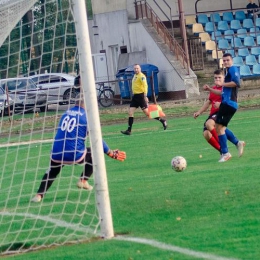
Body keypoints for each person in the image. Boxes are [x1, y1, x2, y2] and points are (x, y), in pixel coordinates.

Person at [31, 87, 126, 203]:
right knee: (94, 152)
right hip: (74, 154)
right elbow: (97, 140)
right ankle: (83, 180)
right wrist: (110, 153)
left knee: (52, 171)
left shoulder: (65, 113)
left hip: (56, 152)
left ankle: (39, 195)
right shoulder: (87, 117)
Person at [203, 53, 245, 162]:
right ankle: (237, 143)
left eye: (227, 60)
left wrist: (223, 84)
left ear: (232, 61)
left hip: (229, 103)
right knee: (220, 127)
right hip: (227, 103)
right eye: (224, 60)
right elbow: (221, 92)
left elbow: (236, 83)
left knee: (218, 128)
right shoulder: (227, 72)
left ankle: (226, 153)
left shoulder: (232, 69)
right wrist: (210, 89)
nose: (226, 62)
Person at [194, 69, 243, 153]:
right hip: (213, 114)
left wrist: (220, 104)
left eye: (219, 77)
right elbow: (209, 102)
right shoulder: (213, 89)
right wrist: (199, 112)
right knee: (207, 134)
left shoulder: (227, 88)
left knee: (210, 124)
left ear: (224, 78)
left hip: (221, 112)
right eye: (215, 78)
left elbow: (231, 100)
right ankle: (227, 148)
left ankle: (225, 150)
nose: (217, 79)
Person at [121, 64, 167, 135]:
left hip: (140, 96)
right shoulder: (135, 76)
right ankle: (129, 130)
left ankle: (162, 120)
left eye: (137, 68)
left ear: (140, 69)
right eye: (135, 68)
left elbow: (145, 85)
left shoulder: (142, 76)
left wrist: (145, 96)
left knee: (148, 114)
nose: (136, 70)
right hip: (135, 97)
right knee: (130, 112)